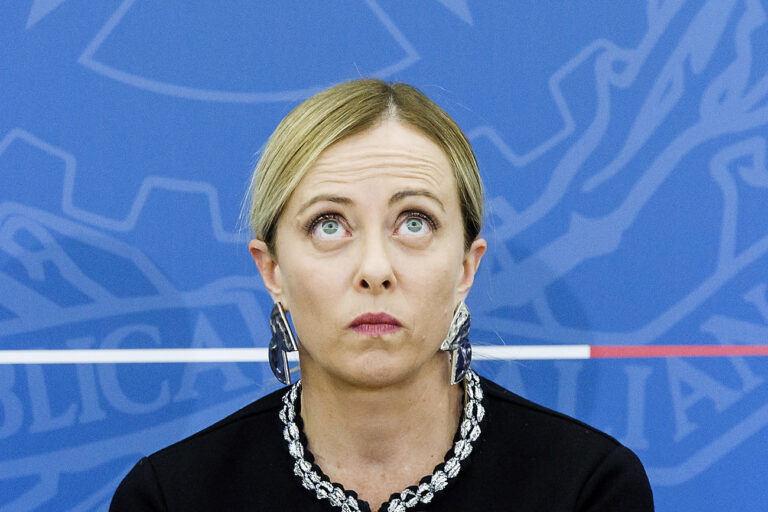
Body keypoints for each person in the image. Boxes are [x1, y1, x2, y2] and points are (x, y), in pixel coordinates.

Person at [110, 79, 654, 511]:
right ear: (271, 269)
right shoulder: (170, 497)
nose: (375, 269)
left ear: (467, 266)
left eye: (414, 223)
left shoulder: (588, 488)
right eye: (329, 225)